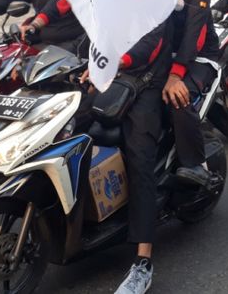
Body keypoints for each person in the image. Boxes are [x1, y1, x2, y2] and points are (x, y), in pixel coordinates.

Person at [82, 22, 170, 294]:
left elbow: (148, 48)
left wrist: (110, 64)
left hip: (147, 83)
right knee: (72, 130)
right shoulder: (114, 0)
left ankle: (143, 262)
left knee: (140, 160)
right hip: (114, 78)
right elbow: (93, 36)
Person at [164, 0, 220, 186]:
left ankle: (196, 165)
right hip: (161, 57)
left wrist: (175, 75)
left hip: (200, 58)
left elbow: (193, 37)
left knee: (178, 97)